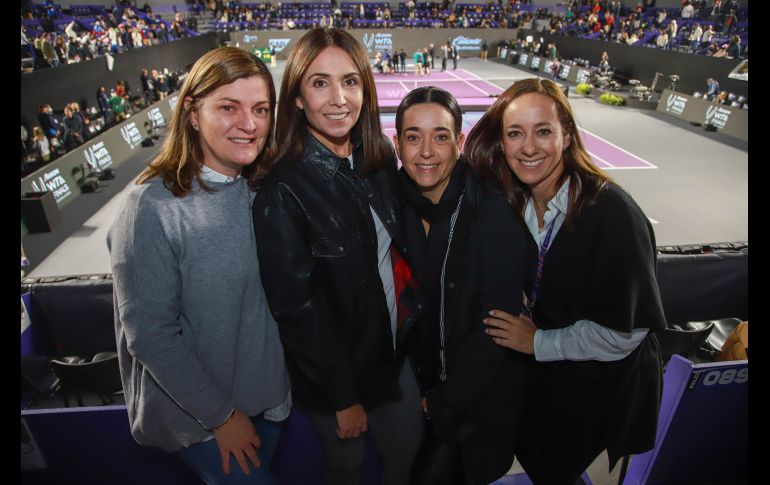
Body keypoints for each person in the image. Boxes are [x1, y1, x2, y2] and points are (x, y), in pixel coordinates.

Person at [464, 78, 666, 485]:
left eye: (544, 131)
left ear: (568, 136)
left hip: (604, 396)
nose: (529, 147)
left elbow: (625, 334)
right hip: (554, 384)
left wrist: (537, 342)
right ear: (502, 144)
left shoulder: (612, 213)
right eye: (515, 134)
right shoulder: (516, 203)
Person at [108, 47, 291, 485]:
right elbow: (149, 335)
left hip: (267, 402)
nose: (248, 124)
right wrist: (221, 418)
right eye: (229, 107)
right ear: (192, 112)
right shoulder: (150, 206)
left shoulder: (260, 190)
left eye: (260, 109)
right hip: (204, 421)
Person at [251, 28, 424, 485]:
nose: (338, 98)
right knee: (346, 470)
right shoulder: (282, 189)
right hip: (335, 378)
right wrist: (343, 396)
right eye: (319, 82)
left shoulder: (379, 159)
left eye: (350, 81)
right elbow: (297, 310)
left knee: (407, 458)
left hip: (391, 359)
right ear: (298, 98)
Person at [393, 86, 529, 484]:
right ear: (397, 144)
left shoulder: (493, 213)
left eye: (440, 136)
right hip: (416, 389)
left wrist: (443, 402)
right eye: (413, 137)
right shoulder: (389, 203)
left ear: (460, 142)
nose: (427, 152)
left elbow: (495, 332)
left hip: (473, 401)